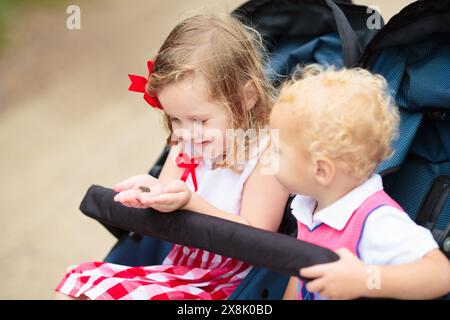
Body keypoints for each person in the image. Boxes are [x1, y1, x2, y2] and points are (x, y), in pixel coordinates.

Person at [54, 14, 289, 300]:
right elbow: (165, 192)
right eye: (175, 119)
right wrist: (149, 193)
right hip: (178, 268)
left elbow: (257, 239)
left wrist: (192, 202)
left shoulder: (266, 153)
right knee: (79, 284)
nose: (186, 133)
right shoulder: (186, 141)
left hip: (227, 283)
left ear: (247, 97)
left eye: (199, 120)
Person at [270, 65, 450, 300]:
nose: (267, 155)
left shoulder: (375, 220)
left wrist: (366, 279)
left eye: (277, 150)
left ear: (321, 170)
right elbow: (302, 275)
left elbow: (440, 274)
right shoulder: (309, 204)